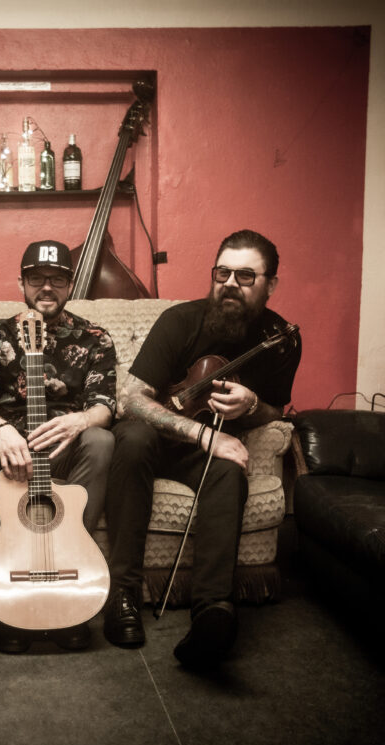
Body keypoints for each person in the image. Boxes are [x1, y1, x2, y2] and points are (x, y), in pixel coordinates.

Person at [102, 229, 301, 668]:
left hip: (206, 452)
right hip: (158, 438)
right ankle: (123, 596)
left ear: (270, 284)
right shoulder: (180, 321)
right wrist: (204, 434)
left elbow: (276, 408)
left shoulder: (281, 339)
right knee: (132, 439)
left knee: (229, 471)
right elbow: (132, 400)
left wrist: (252, 405)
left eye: (245, 276)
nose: (230, 283)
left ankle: (213, 611)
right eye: (222, 272)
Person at [0, 239, 116, 654]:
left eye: (57, 279)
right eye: (36, 278)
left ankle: (72, 567)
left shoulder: (95, 338)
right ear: (21, 283)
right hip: (11, 454)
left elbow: (104, 405)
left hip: (65, 447)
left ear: (70, 284)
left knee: (101, 440)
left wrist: (81, 420)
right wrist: (0, 430)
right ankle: (8, 579)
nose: (46, 287)